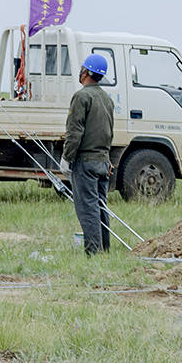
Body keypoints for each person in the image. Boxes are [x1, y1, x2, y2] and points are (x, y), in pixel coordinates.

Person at [64, 52, 116, 255]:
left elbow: (75, 132)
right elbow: (109, 132)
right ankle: (105, 250)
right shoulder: (106, 99)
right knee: (101, 206)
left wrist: (67, 158)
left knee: (88, 209)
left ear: (85, 71)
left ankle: (92, 253)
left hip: (85, 162)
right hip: (103, 162)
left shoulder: (81, 96)